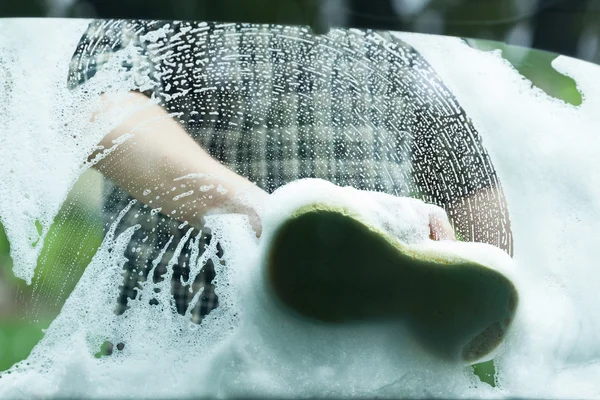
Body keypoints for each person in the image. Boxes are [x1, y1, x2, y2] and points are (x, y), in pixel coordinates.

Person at [68, 20, 512, 329]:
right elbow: (97, 105)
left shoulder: (407, 21)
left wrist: (482, 289)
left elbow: (472, 182)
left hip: (376, 358)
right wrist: (271, 215)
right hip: (188, 349)